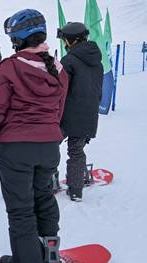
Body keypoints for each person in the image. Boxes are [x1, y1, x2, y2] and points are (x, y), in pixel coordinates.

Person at [0, 9, 68, 263]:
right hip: (49, 147)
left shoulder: (10, 67)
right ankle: (50, 257)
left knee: (21, 210)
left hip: (17, 148)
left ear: (18, 39)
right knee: (44, 199)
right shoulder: (59, 69)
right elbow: (59, 111)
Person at [57, 22, 103, 202]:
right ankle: (75, 190)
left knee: (49, 146)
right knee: (76, 152)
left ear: (71, 40)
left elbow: (59, 90)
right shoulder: (97, 62)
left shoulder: (69, 61)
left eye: (64, 40)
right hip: (88, 114)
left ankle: (45, 181)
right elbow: (97, 91)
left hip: (66, 114)